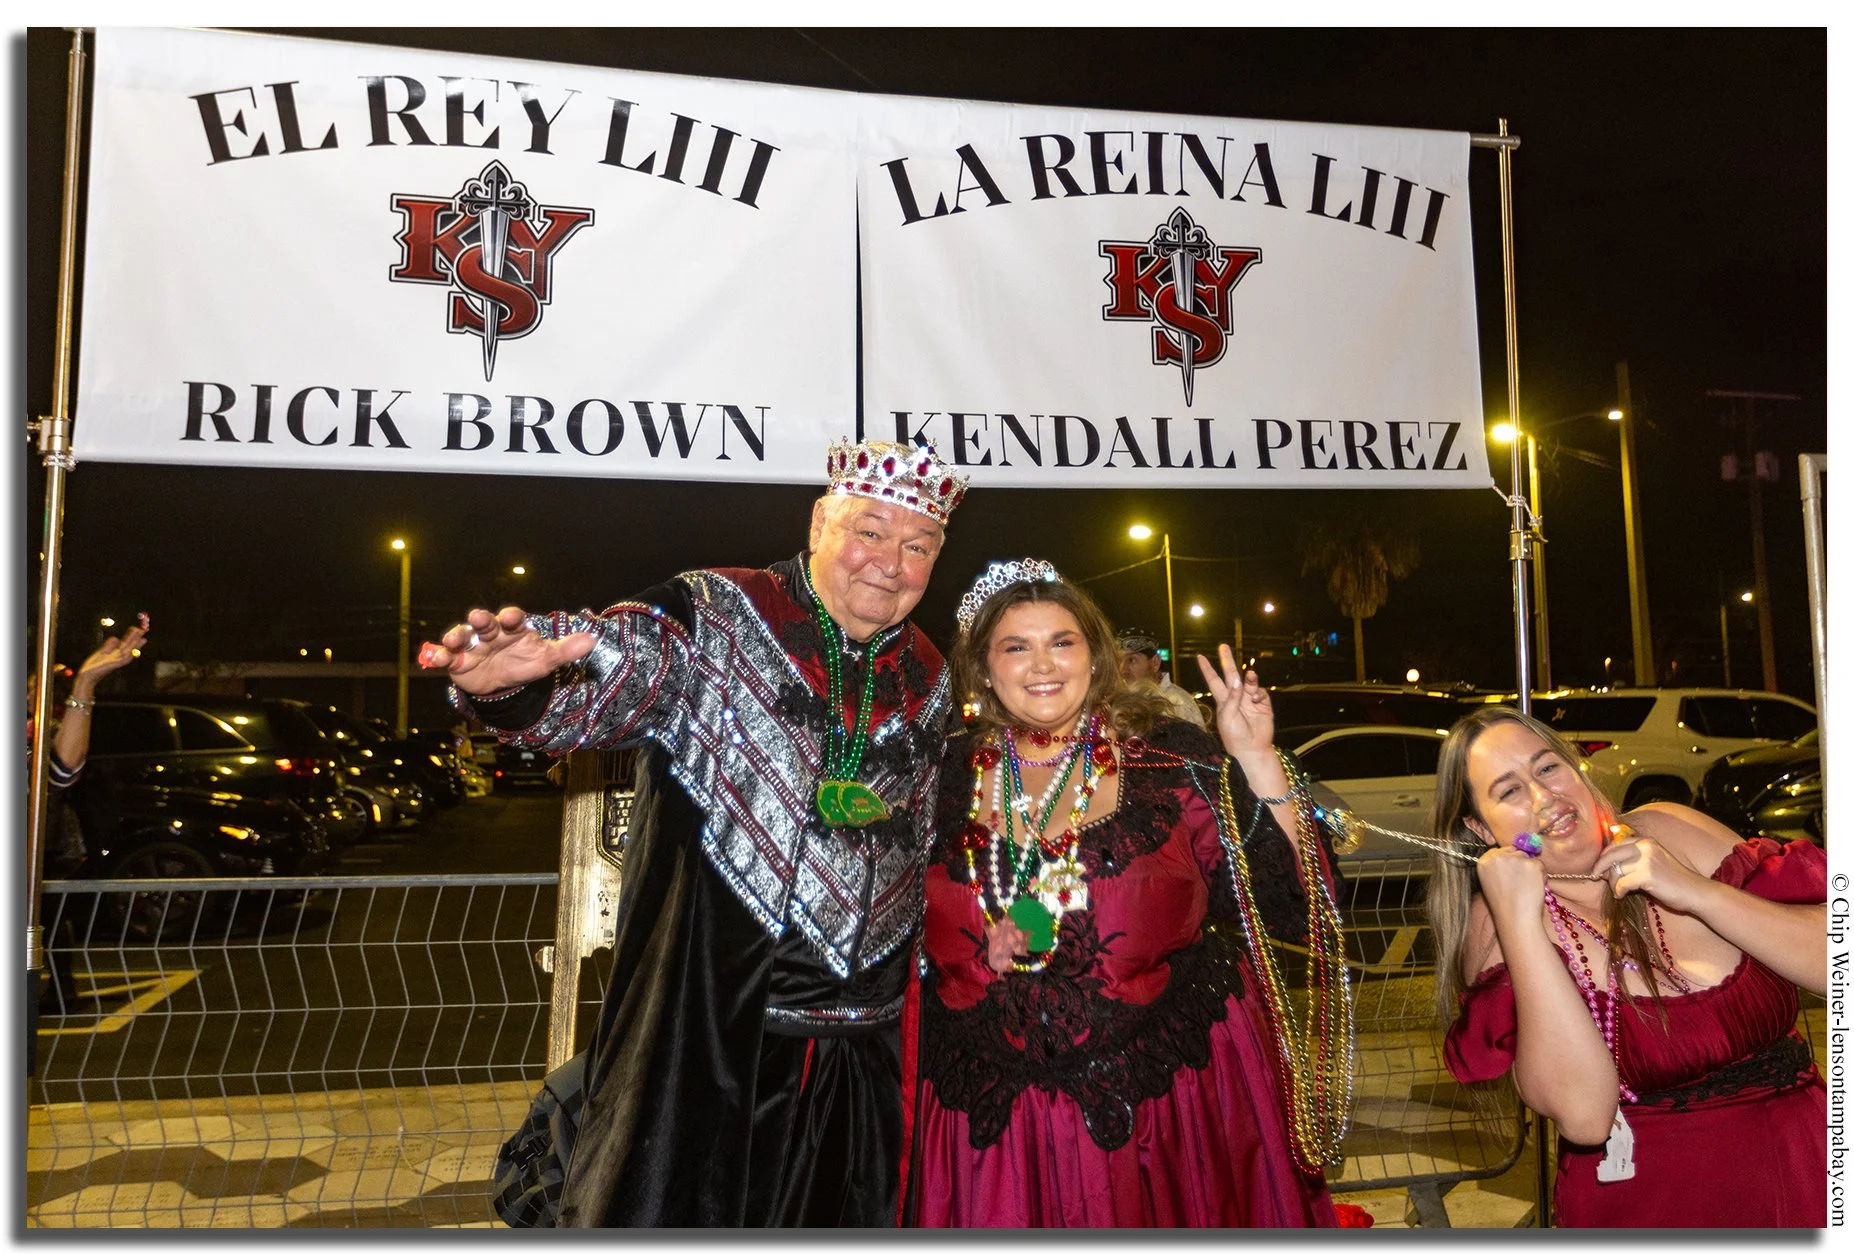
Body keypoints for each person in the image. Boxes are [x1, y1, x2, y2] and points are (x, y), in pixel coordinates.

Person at [420, 439, 967, 1227]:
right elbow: (615, 673)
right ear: (819, 522)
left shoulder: (929, 669)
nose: (891, 561)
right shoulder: (718, 611)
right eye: (871, 531)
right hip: (714, 1040)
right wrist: (518, 688)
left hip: (867, 1054)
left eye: (918, 546)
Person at [905, 561, 1352, 1227]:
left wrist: (1255, 758)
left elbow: (1290, 899)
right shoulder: (939, 778)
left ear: (1096, 655)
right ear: (983, 667)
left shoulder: (1168, 760)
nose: (1042, 664)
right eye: (1016, 646)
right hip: (992, 1133)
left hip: (1168, 1115)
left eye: (1062, 641)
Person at [1428, 705, 1826, 1228]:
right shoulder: (1497, 928)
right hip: (1656, 1207)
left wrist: (1699, 893)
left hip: (1809, 1170)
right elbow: (1586, 1118)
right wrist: (1520, 923)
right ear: (1481, 829)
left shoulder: (1668, 830)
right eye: (1509, 791)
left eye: (1548, 768)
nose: (1545, 798)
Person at [29, 617, 150, 1009]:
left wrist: (85, 685)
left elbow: (62, 771)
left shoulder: (37, 734)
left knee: (50, 917)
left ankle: (62, 987)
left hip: (46, 852)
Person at [1115, 627, 1206, 729]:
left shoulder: (1177, 704)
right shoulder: (1119, 704)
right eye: (1118, 661)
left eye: (1131, 660)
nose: (1122, 669)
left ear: (1155, 662)